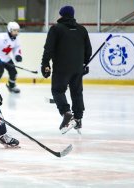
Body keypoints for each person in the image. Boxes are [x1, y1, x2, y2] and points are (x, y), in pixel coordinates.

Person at [41, 6, 92, 134]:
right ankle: (78, 118)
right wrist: (84, 63)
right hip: (77, 68)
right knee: (76, 92)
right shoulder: (82, 30)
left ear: (61, 15)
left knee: (57, 90)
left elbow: (49, 49)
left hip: (61, 68)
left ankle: (66, 113)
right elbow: (88, 50)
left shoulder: (56, 29)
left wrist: (45, 64)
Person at [0, 21, 23, 93]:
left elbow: (17, 48)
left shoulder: (16, 39)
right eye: (14, 30)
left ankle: (11, 85)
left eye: (17, 31)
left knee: (13, 72)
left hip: (6, 58)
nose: (16, 32)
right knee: (0, 71)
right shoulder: (1, 37)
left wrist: (18, 55)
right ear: (9, 30)